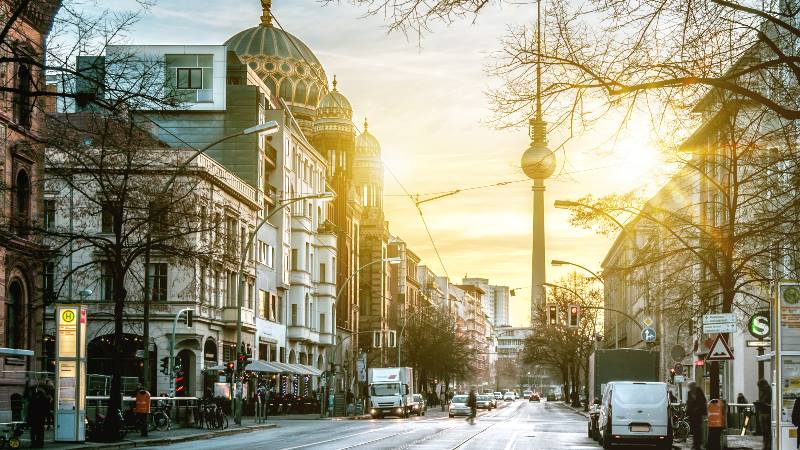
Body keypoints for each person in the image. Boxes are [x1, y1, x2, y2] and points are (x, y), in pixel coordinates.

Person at [686, 381, 707, 450]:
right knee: (694, 430)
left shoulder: (699, 391)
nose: (690, 388)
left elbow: (703, 401)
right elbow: (688, 402)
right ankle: (695, 444)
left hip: (698, 414)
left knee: (698, 430)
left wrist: (697, 408)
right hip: (692, 415)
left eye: (691, 387)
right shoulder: (689, 393)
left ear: (693, 386)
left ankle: (697, 444)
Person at [756, 379, 772, 450]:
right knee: (765, 431)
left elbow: (770, 403)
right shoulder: (764, 391)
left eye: (760, 386)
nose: (760, 388)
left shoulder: (769, 391)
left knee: (766, 431)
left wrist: (762, 403)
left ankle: (767, 445)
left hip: (766, 413)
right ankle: (766, 445)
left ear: (764, 385)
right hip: (763, 412)